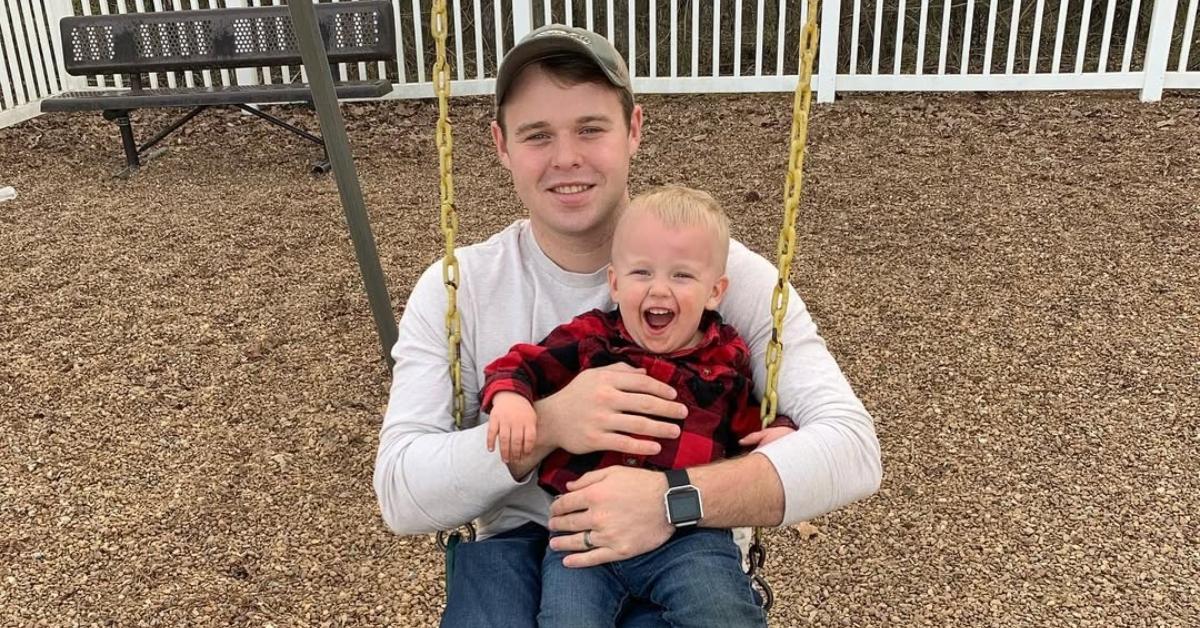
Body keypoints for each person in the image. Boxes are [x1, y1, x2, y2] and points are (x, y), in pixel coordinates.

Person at [373, 24, 882, 628]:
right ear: (501, 145)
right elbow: (401, 492)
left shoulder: (727, 276)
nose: (567, 158)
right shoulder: (461, 288)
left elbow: (853, 450)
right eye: (538, 135)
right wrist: (550, 424)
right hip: (522, 551)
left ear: (633, 129)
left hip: (682, 545)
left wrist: (672, 500)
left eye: (591, 128)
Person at [482, 186, 796, 626]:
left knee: (722, 611)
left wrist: (780, 435)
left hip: (689, 536)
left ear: (714, 291)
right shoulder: (592, 339)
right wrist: (512, 398)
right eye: (642, 272)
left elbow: (748, 427)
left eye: (681, 275)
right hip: (583, 530)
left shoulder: (725, 361)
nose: (659, 289)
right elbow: (519, 365)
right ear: (615, 283)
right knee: (567, 620)